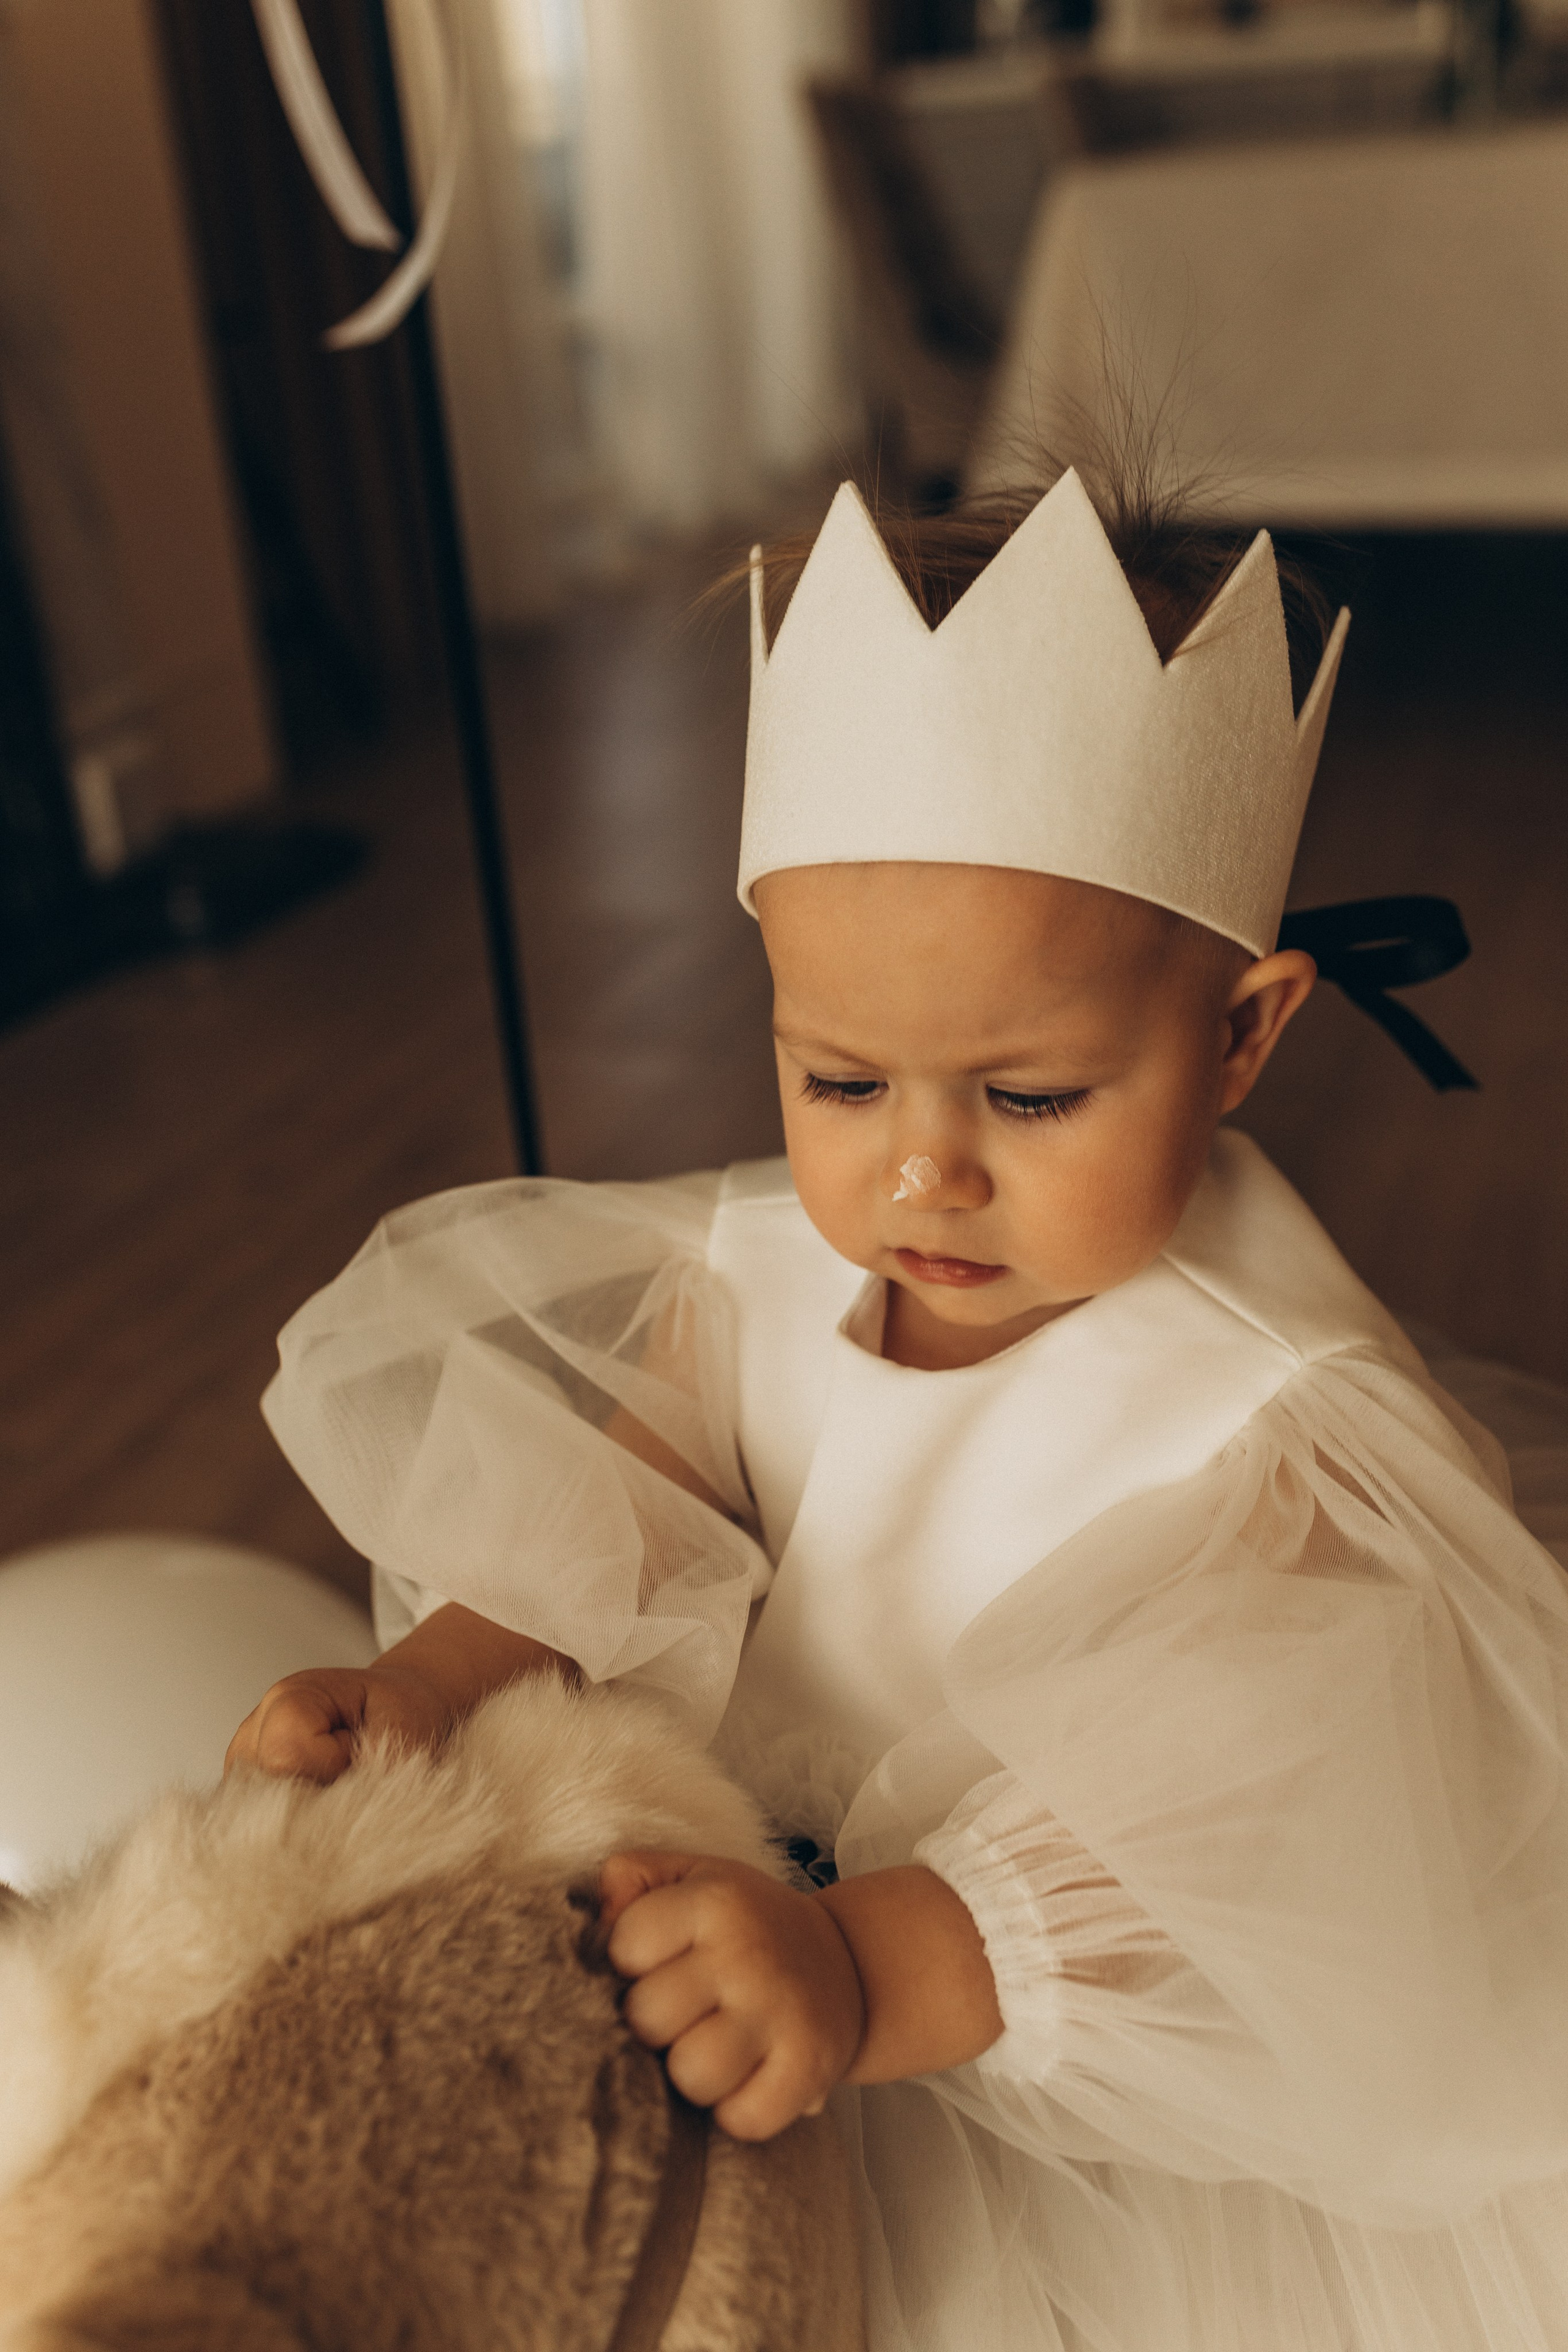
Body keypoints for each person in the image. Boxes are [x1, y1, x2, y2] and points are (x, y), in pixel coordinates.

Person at [230, 466, 1568, 2351]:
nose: (923, 1174)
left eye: (1029, 1100)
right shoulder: (758, 1272)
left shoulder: (1276, 1418)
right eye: (842, 1079)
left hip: (1040, 2050)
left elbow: (1226, 1833)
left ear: (1246, 1031)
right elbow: (635, 1512)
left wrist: (876, 1966)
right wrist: (448, 1673)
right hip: (733, 1940)